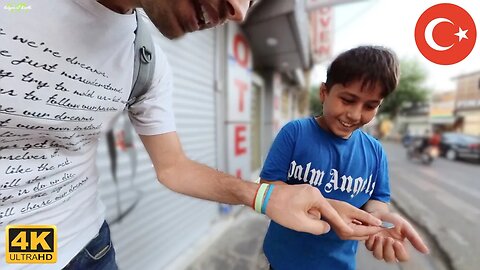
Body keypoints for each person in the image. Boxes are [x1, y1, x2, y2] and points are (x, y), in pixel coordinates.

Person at [0, 1, 382, 269]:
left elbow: (173, 167)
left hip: (86, 247)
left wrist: (264, 197)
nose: (240, 10)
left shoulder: (144, 60)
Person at [260, 46, 430, 270]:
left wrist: (378, 222)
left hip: (339, 264)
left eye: (370, 106)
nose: (355, 114)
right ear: (324, 93)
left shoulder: (376, 152)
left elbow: (377, 200)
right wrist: (326, 208)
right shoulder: (295, 133)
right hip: (283, 261)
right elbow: (268, 187)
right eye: (348, 100)